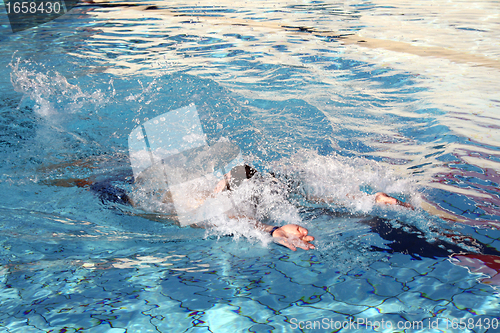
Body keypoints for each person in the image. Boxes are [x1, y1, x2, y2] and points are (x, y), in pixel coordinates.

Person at [40, 156, 413, 251]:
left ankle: (368, 199)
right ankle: (368, 199)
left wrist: (270, 230)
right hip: (244, 182)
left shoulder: (182, 204)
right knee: (299, 197)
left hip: (234, 186)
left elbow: (223, 217)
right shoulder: (182, 197)